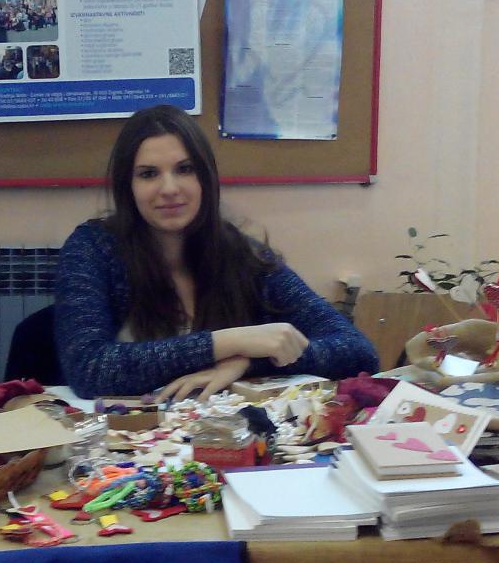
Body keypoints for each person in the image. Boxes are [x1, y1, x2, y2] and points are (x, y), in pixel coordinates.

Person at [54, 105, 377, 399]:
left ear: (206, 179)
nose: (169, 189)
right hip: (123, 437)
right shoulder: (92, 248)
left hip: (224, 434)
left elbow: (359, 352)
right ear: (128, 186)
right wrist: (229, 342)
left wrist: (247, 363)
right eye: (148, 174)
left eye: (185, 169)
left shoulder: (246, 257)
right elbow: (88, 369)